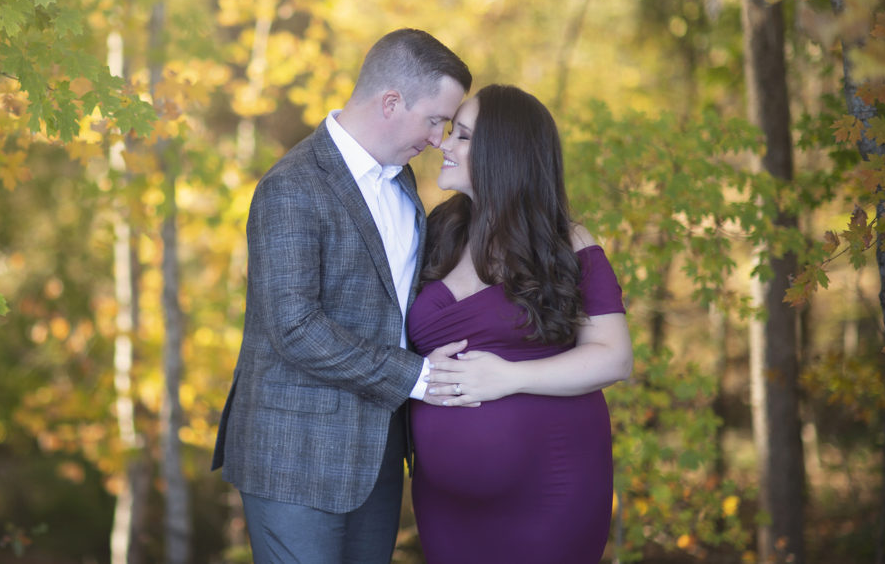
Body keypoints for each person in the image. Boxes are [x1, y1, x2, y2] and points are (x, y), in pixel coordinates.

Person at [212, 28, 473, 564]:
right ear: (391, 102)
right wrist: (419, 376)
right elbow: (295, 327)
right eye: (433, 119)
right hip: (295, 451)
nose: (436, 137)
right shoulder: (292, 186)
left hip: (378, 448)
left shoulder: (403, 183)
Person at [407, 84, 633, 564]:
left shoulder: (566, 243)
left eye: (463, 136)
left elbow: (614, 356)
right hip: (445, 501)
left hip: (552, 488)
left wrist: (509, 377)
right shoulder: (437, 231)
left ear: (502, 153)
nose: (444, 143)